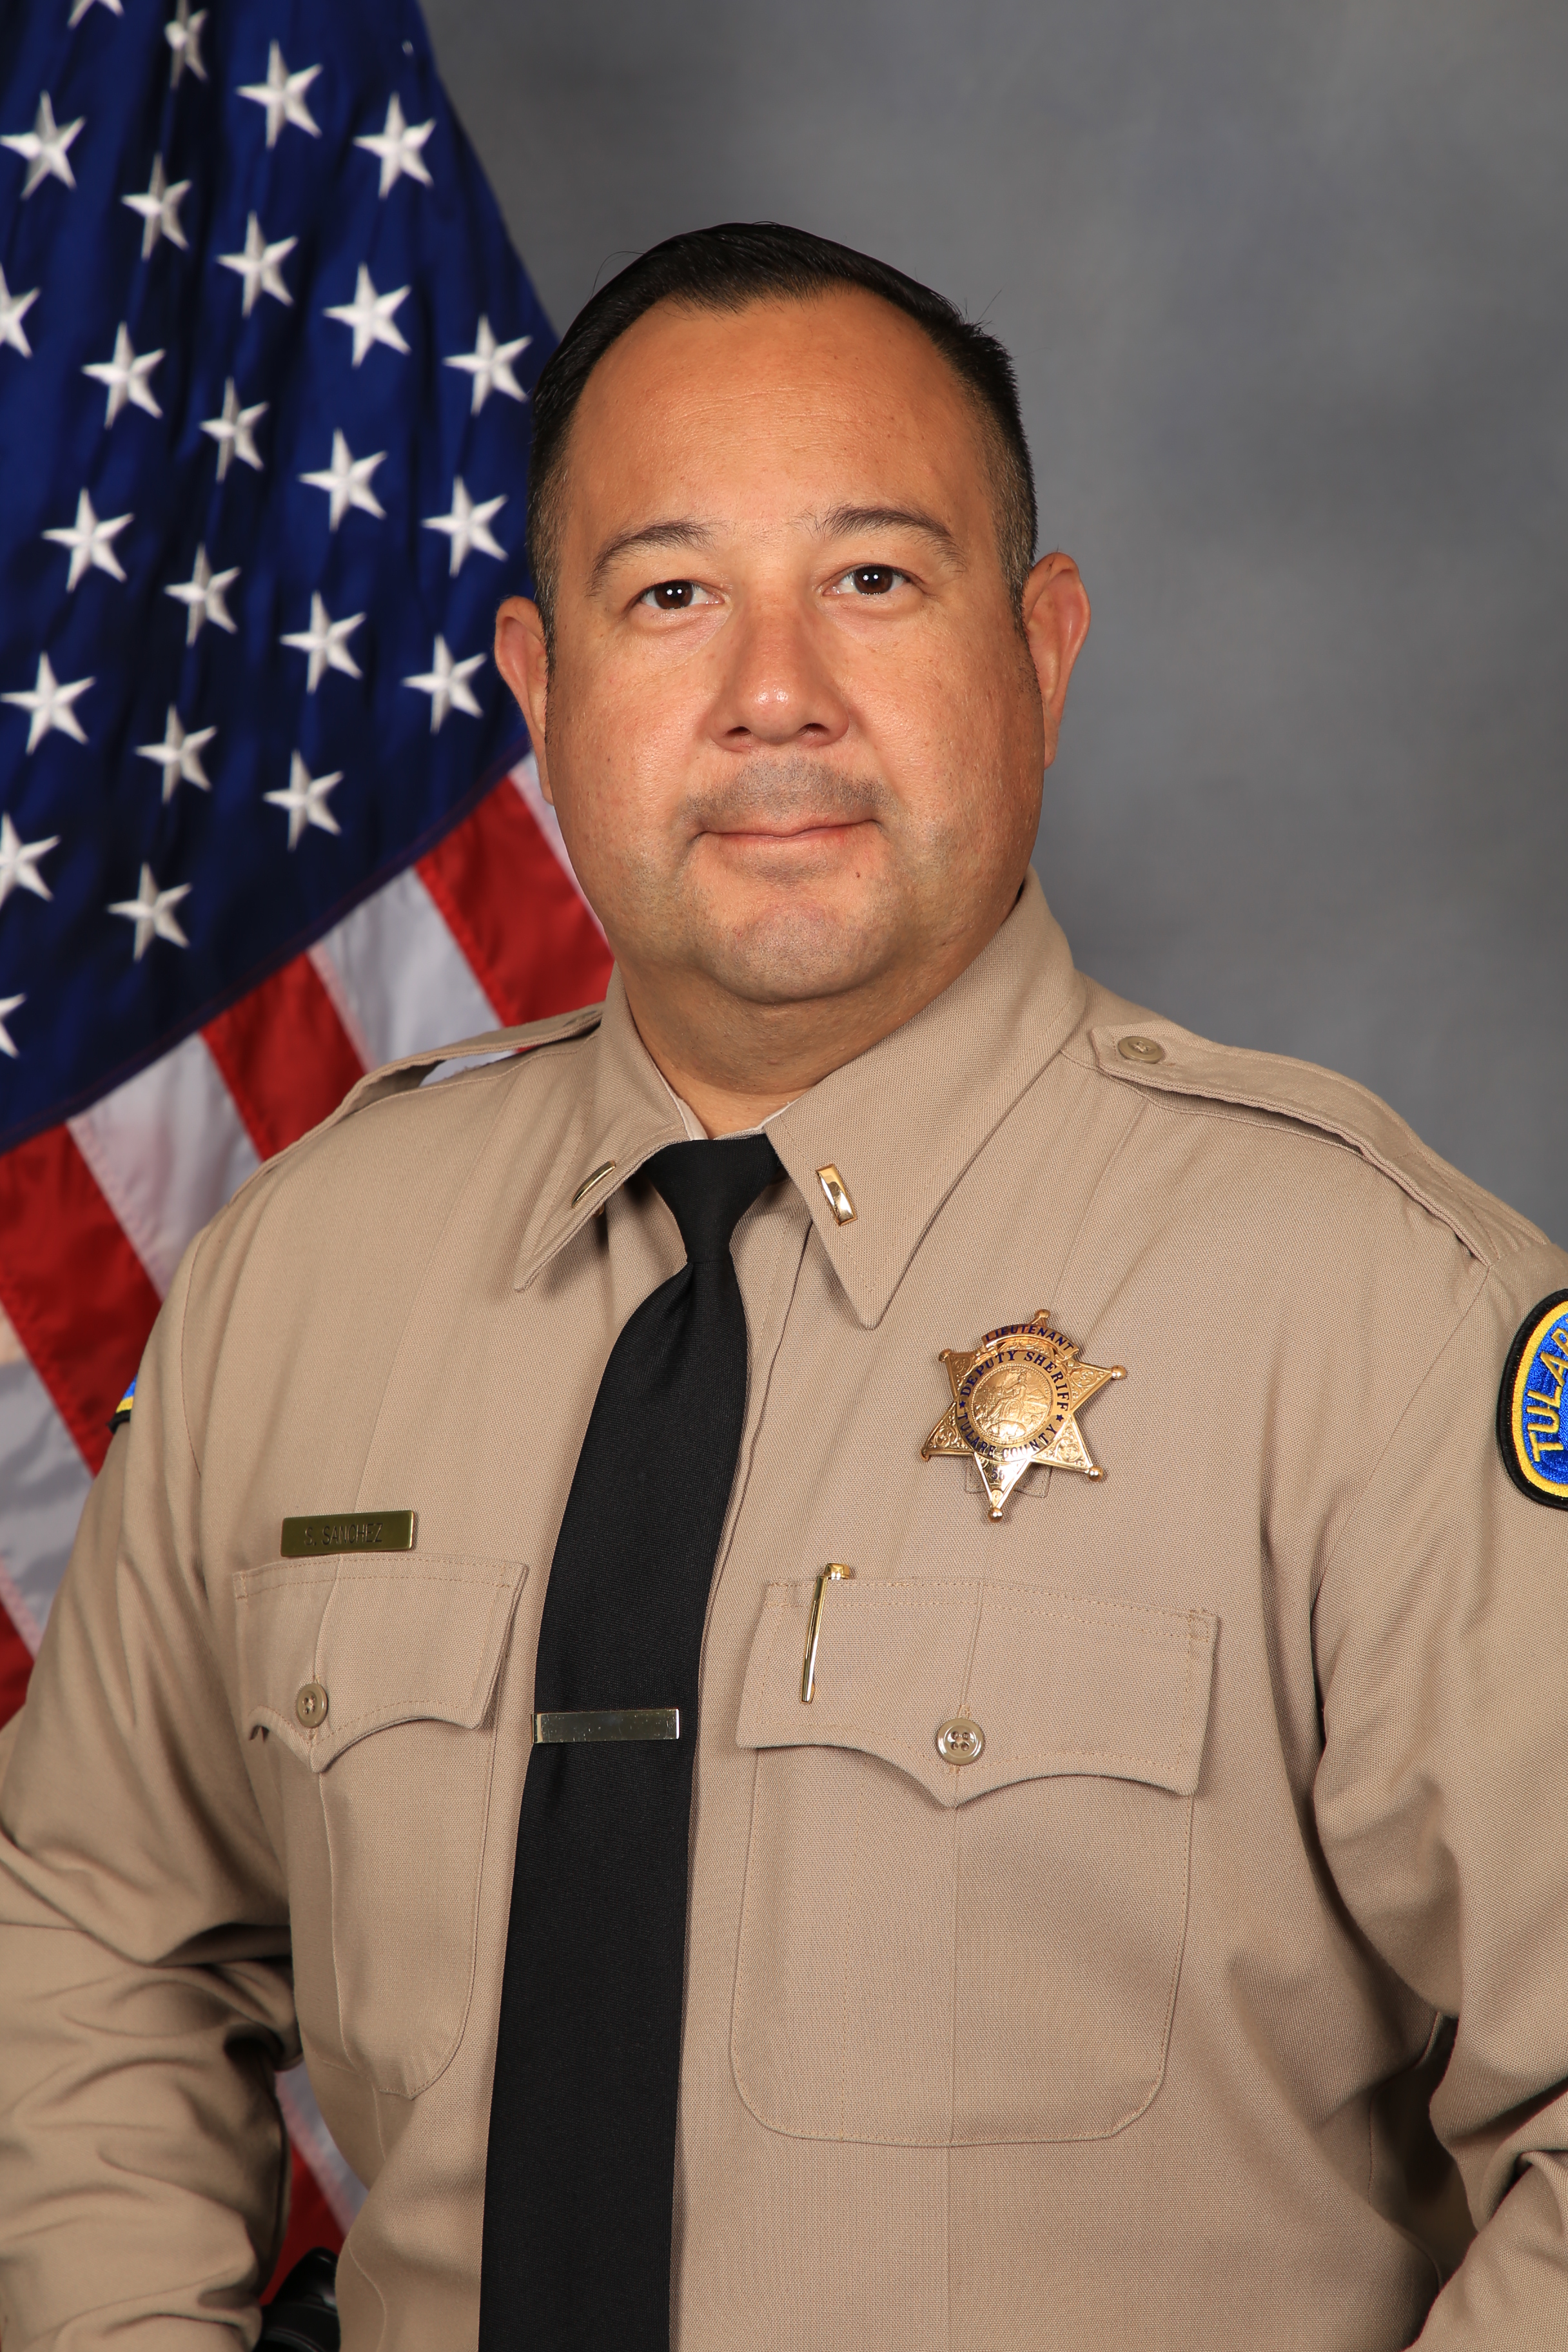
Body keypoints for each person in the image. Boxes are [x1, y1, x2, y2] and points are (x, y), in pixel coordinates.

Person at [1, 221, 1565, 2352]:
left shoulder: (1379, 1315)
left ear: (1045, 647)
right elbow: (94, 1952)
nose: (772, 694)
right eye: (671, 596)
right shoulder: (303, 1281)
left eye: (874, 581)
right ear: (542, 694)